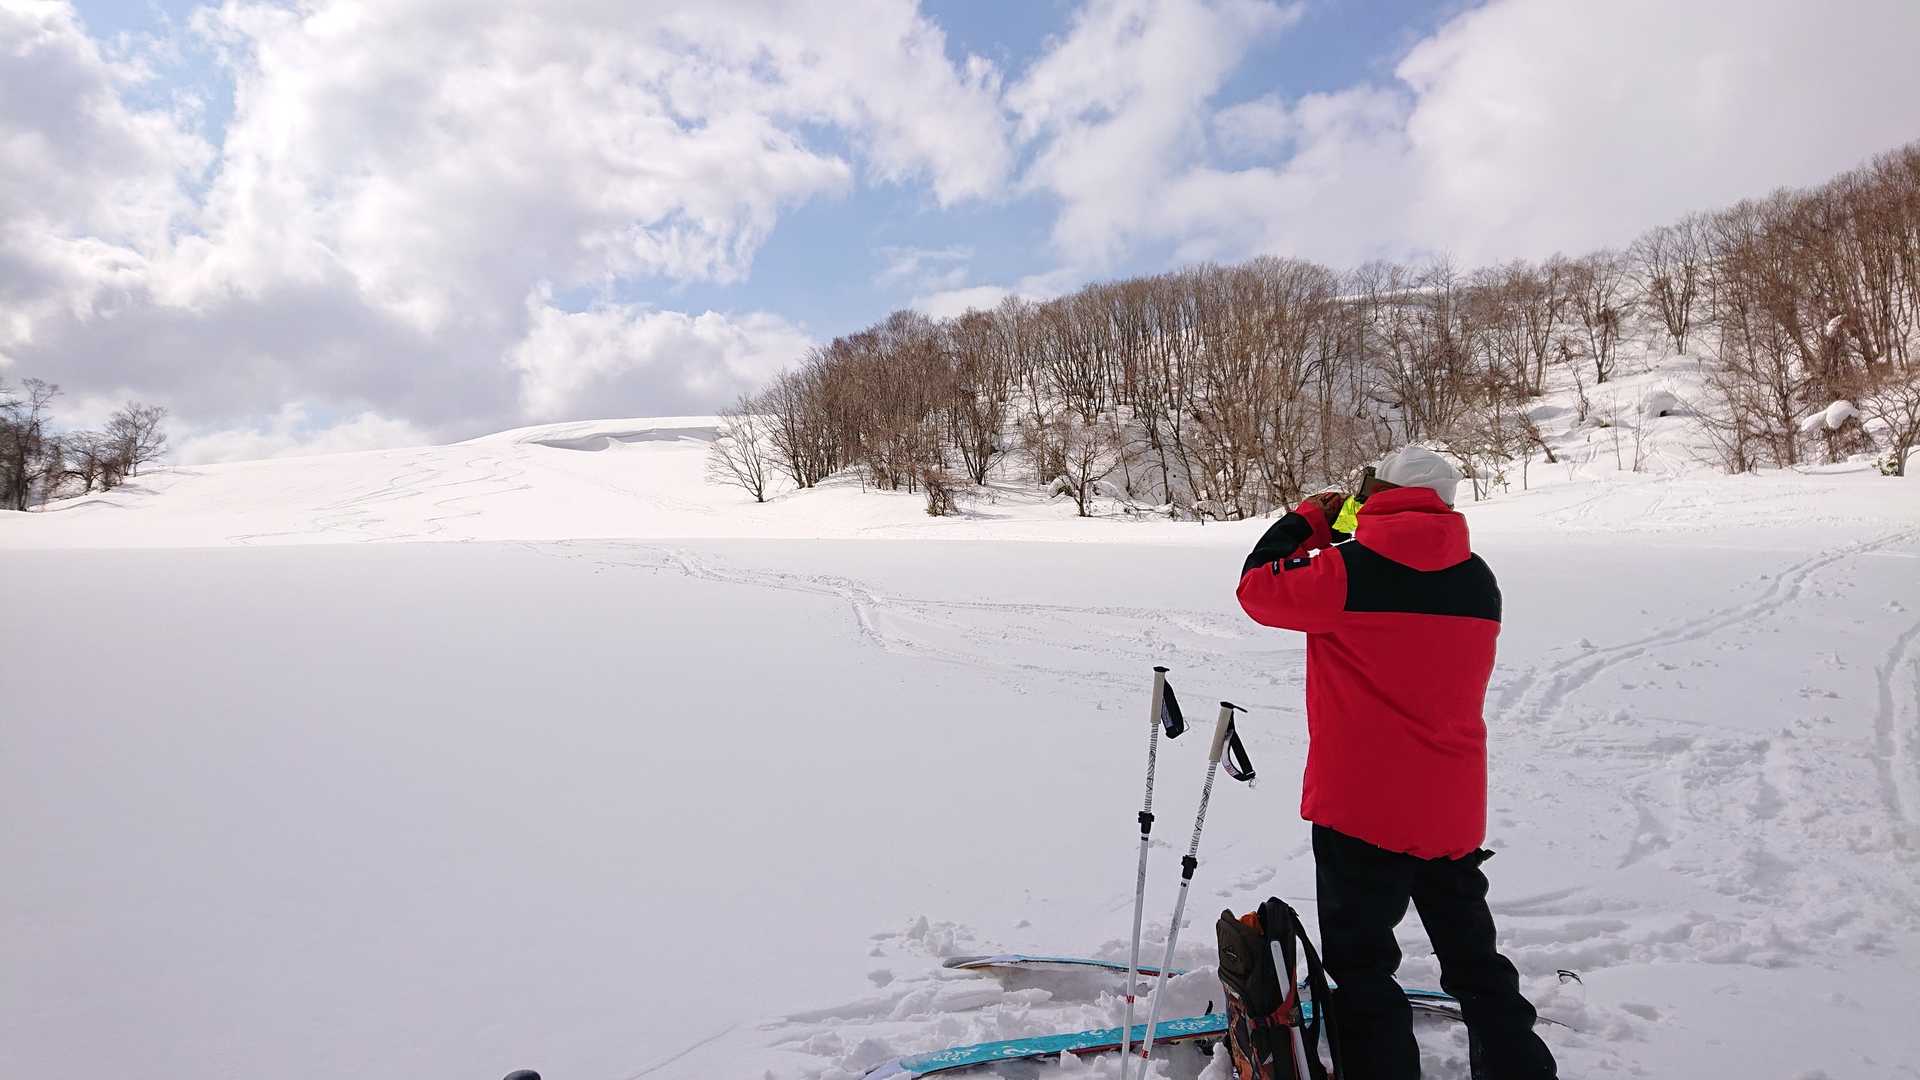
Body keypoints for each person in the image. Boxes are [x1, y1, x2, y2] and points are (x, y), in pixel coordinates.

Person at [1234, 446, 1557, 1080]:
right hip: (1450, 806)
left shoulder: (1345, 572)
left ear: (1377, 494)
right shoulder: (1478, 578)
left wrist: (1309, 521)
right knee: (1473, 960)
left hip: (1362, 803)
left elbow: (1257, 589)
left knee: (1362, 968)